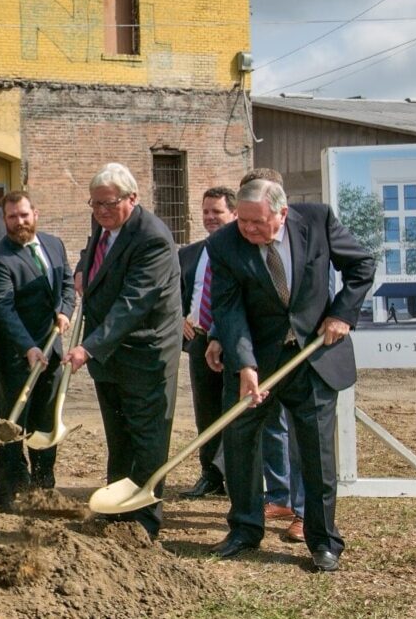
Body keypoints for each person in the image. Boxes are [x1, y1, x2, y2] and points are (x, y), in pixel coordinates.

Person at [206, 179, 374, 573]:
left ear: (281, 213)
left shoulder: (317, 220)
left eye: (257, 222)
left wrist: (342, 314)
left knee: (316, 451)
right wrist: (245, 364)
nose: (248, 230)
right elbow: (228, 309)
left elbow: (361, 264)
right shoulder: (225, 244)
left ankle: (323, 540)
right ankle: (245, 529)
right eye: (242, 222)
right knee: (242, 443)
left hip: (311, 358)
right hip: (256, 360)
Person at [64, 163, 182, 540]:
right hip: (111, 356)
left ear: (133, 198)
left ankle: (144, 521)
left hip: (145, 354)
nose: (100, 211)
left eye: (108, 204)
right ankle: (118, 514)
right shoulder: (105, 223)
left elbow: (133, 303)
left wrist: (88, 348)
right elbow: (94, 251)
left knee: (146, 438)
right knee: (119, 437)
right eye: (94, 204)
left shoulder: (153, 239)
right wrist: (83, 268)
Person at [0, 191, 75, 507]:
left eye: (24, 215)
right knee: (13, 424)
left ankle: (42, 486)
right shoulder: (0, 257)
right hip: (16, 357)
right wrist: (27, 347)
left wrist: (65, 310)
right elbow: (3, 307)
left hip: (53, 351)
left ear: (35, 213)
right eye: (12, 217)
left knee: (46, 421)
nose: (19, 222)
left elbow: (66, 284)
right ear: (5, 220)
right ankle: (6, 491)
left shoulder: (54, 244)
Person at [178, 186, 237, 500]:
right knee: (206, 411)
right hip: (199, 342)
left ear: (234, 213)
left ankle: (238, 477)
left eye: (217, 211)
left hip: (235, 341)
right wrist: (179, 317)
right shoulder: (190, 253)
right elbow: (173, 291)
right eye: (206, 212)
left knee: (236, 411)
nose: (210, 217)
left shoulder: (243, 251)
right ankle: (211, 475)